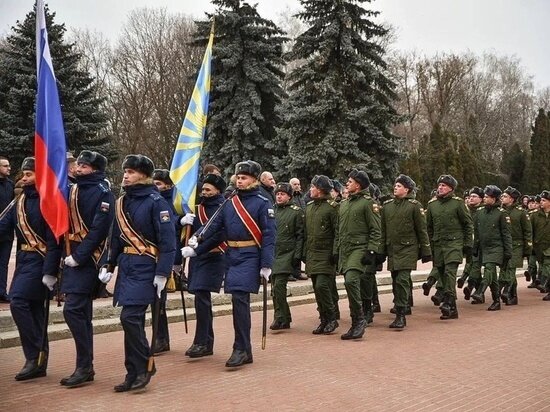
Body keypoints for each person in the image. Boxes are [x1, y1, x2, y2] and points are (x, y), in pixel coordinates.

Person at [182, 160, 275, 368]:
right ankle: (245, 350)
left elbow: (269, 235)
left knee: (240, 299)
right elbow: (214, 225)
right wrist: (197, 239)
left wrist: (266, 263)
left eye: (244, 178)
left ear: (254, 179)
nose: (240, 181)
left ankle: (240, 348)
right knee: (236, 300)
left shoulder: (262, 202)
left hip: (251, 254)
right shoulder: (229, 201)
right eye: (238, 177)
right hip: (232, 255)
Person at [101, 154, 176, 392]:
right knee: (131, 321)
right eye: (125, 171)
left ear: (143, 175)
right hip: (127, 267)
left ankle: (144, 365)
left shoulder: (156, 202)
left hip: (147, 267)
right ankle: (132, 371)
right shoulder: (121, 202)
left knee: (129, 318)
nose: (125, 175)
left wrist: (163, 273)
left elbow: (168, 241)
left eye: (131, 172)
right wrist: (109, 264)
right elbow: (115, 238)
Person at [0, 157, 60, 381]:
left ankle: (33, 353)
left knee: (18, 302)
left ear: (40, 176)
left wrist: (50, 270)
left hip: (41, 259)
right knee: (35, 309)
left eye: (29, 174)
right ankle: (38, 359)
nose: (23, 178)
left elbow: (54, 240)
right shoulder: (20, 200)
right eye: (23, 174)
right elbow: (4, 224)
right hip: (24, 259)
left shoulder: (48, 201)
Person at [57, 150, 114, 388]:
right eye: (78, 165)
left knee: (73, 310)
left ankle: (84, 365)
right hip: (71, 256)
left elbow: (99, 230)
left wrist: (78, 257)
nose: (78, 168)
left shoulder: (104, 194)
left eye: (84, 166)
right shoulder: (70, 190)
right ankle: (85, 365)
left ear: (95, 169)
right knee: (81, 312)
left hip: (89, 259)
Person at [182, 173, 227, 358]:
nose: (205, 192)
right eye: (203, 189)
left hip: (213, 256)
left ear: (218, 190)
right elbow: (187, 233)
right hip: (196, 257)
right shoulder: (196, 208)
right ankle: (206, 341)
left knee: (202, 296)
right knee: (200, 299)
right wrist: (182, 222)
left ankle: (202, 342)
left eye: (208, 189)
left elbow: (219, 234)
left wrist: (198, 249)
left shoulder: (222, 207)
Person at [381, 175, 431, 329]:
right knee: (396, 280)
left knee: (402, 279)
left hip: (408, 248)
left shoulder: (414, 206)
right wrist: (380, 250)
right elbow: (383, 231)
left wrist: (426, 250)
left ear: (407, 189)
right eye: (395, 185)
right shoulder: (387, 206)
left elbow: (421, 230)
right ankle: (402, 304)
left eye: (399, 186)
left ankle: (400, 314)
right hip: (392, 249)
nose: (395, 188)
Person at [338, 169, 381, 339]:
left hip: (359, 248)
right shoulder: (345, 204)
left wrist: (371, 250)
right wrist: (336, 251)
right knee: (349, 283)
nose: (347, 183)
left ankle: (359, 319)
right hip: (345, 249)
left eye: (350, 181)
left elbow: (376, 230)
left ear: (358, 184)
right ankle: (357, 321)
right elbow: (339, 231)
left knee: (351, 280)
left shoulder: (368, 203)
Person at [426, 175, 473, 320]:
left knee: (449, 273)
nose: (440, 188)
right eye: (439, 185)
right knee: (442, 274)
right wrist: (430, 246)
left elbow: (467, 225)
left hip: (454, 244)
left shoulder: (458, 204)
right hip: (439, 245)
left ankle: (447, 301)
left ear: (451, 188)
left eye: (444, 186)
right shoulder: (432, 205)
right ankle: (452, 307)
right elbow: (429, 228)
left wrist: (467, 244)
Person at [151, 169, 184, 354]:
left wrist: (181, 220)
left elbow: (172, 221)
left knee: (159, 301)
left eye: (159, 184)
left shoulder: (176, 199)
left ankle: (161, 338)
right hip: (150, 254)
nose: (156, 186)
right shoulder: (152, 199)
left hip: (167, 253)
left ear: (168, 185)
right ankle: (159, 336)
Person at [471, 186, 512, 310]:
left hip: (496, 247)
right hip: (484, 248)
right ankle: (496, 301)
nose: (484, 198)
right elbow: (477, 232)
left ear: (494, 199)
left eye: (487, 197)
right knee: (492, 276)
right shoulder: (479, 212)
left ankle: (480, 291)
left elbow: (506, 234)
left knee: (489, 268)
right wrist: (475, 247)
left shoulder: (502, 213)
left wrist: (508, 251)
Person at [270, 182, 304, 330]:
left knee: (279, 286)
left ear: (289, 196)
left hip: (287, 254)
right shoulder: (271, 210)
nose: (279, 196)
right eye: (277, 194)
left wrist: (297, 255)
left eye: (282, 194)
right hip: (273, 254)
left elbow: (300, 235)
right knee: (274, 288)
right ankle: (283, 317)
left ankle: (280, 317)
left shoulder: (296, 212)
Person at [499, 186, 532, 305]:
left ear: (512, 199)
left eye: (505, 196)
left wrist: (528, 249)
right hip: (503, 244)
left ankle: (506, 290)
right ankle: (513, 296)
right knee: (506, 268)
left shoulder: (521, 212)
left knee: (511, 267)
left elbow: (528, 231)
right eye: (502, 196)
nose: (502, 198)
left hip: (517, 244)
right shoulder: (500, 211)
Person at [457, 186, 484, 302]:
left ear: (481, 199)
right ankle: (479, 293)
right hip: (470, 244)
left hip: (482, 245)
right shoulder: (465, 210)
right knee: (473, 265)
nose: (470, 198)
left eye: (474, 196)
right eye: (469, 196)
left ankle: (471, 285)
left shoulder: (483, 211)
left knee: (475, 266)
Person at [0, 156, 15, 302]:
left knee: (3, 264)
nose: (8, 168)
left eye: (9, 165)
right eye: (5, 166)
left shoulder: (10, 185)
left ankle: (2, 291)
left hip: (6, 233)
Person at [531, 190, 550, 301]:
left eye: (544, 200)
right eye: (541, 200)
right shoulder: (535, 215)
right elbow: (530, 231)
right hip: (539, 247)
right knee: (543, 266)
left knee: (547, 265)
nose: (541, 202)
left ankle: (545, 284)